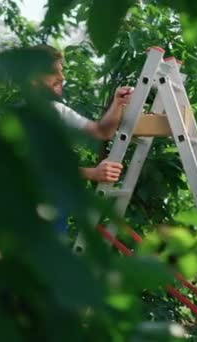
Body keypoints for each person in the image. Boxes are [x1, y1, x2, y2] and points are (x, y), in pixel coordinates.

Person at [28, 45, 133, 233]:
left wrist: (117, 103)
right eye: (54, 72)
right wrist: (91, 173)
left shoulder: (56, 110)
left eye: (61, 71)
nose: (61, 78)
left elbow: (102, 132)